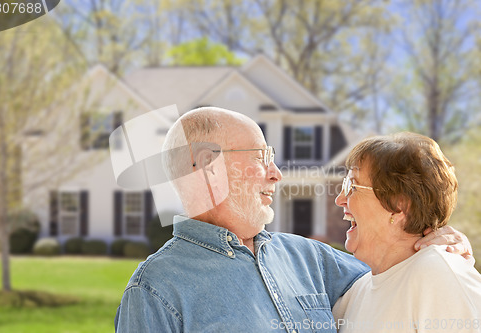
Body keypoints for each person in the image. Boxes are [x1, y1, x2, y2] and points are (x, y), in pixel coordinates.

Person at [114, 107, 471, 332]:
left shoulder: (310, 259)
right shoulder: (154, 292)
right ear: (208, 166)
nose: (276, 173)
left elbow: (394, 274)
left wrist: (436, 239)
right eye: (261, 156)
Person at [333, 132, 481, 333]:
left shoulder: (437, 273)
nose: (340, 199)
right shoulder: (355, 293)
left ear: (399, 204)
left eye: (352, 186)